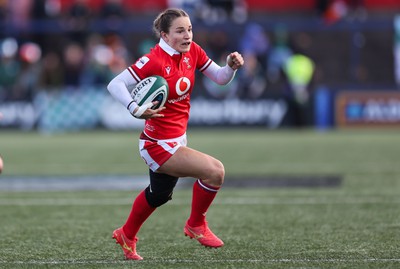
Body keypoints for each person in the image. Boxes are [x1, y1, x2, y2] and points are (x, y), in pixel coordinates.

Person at [107, 8, 244, 260]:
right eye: (180, 31)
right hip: (157, 145)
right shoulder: (153, 59)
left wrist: (231, 67)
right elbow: (114, 84)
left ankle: (126, 235)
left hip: (177, 139)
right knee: (215, 171)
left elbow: (220, 78)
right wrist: (135, 109)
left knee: (158, 195)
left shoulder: (193, 51)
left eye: (189, 29)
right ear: (165, 35)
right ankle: (196, 225)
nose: (187, 35)